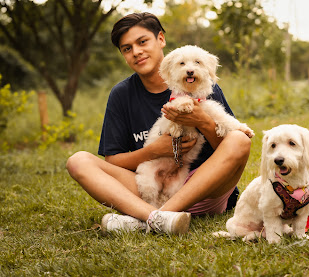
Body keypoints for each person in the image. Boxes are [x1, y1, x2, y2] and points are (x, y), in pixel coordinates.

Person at [66, 12, 251, 235]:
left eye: (142, 42)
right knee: (78, 161)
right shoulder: (121, 95)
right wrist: (154, 150)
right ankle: (158, 218)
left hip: (204, 190)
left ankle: (150, 219)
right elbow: (113, 160)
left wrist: (201, 120)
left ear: (160, 39)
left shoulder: (202, 84)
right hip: (150, 189)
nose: (136, 52)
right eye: (127, 48)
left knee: (240, 139)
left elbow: (229, 148)